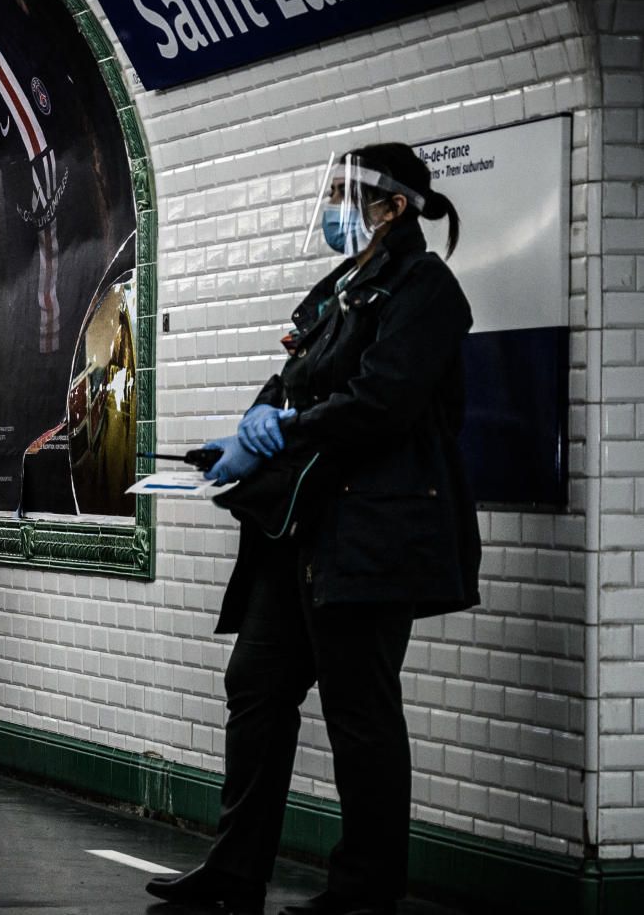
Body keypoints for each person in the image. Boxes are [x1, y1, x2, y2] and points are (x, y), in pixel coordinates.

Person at [146, 144, 480, 915]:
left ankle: (366, 891)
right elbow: (293, 375)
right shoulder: (338, 288)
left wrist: (285, 429)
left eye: (343, 194)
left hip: (367, 532)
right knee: (255, 690)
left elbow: (381, 401)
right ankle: (235, 871)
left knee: (359, 713)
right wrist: (258, 418)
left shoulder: (425, 289)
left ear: (390, 207)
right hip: (294, 529)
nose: (330, 207)